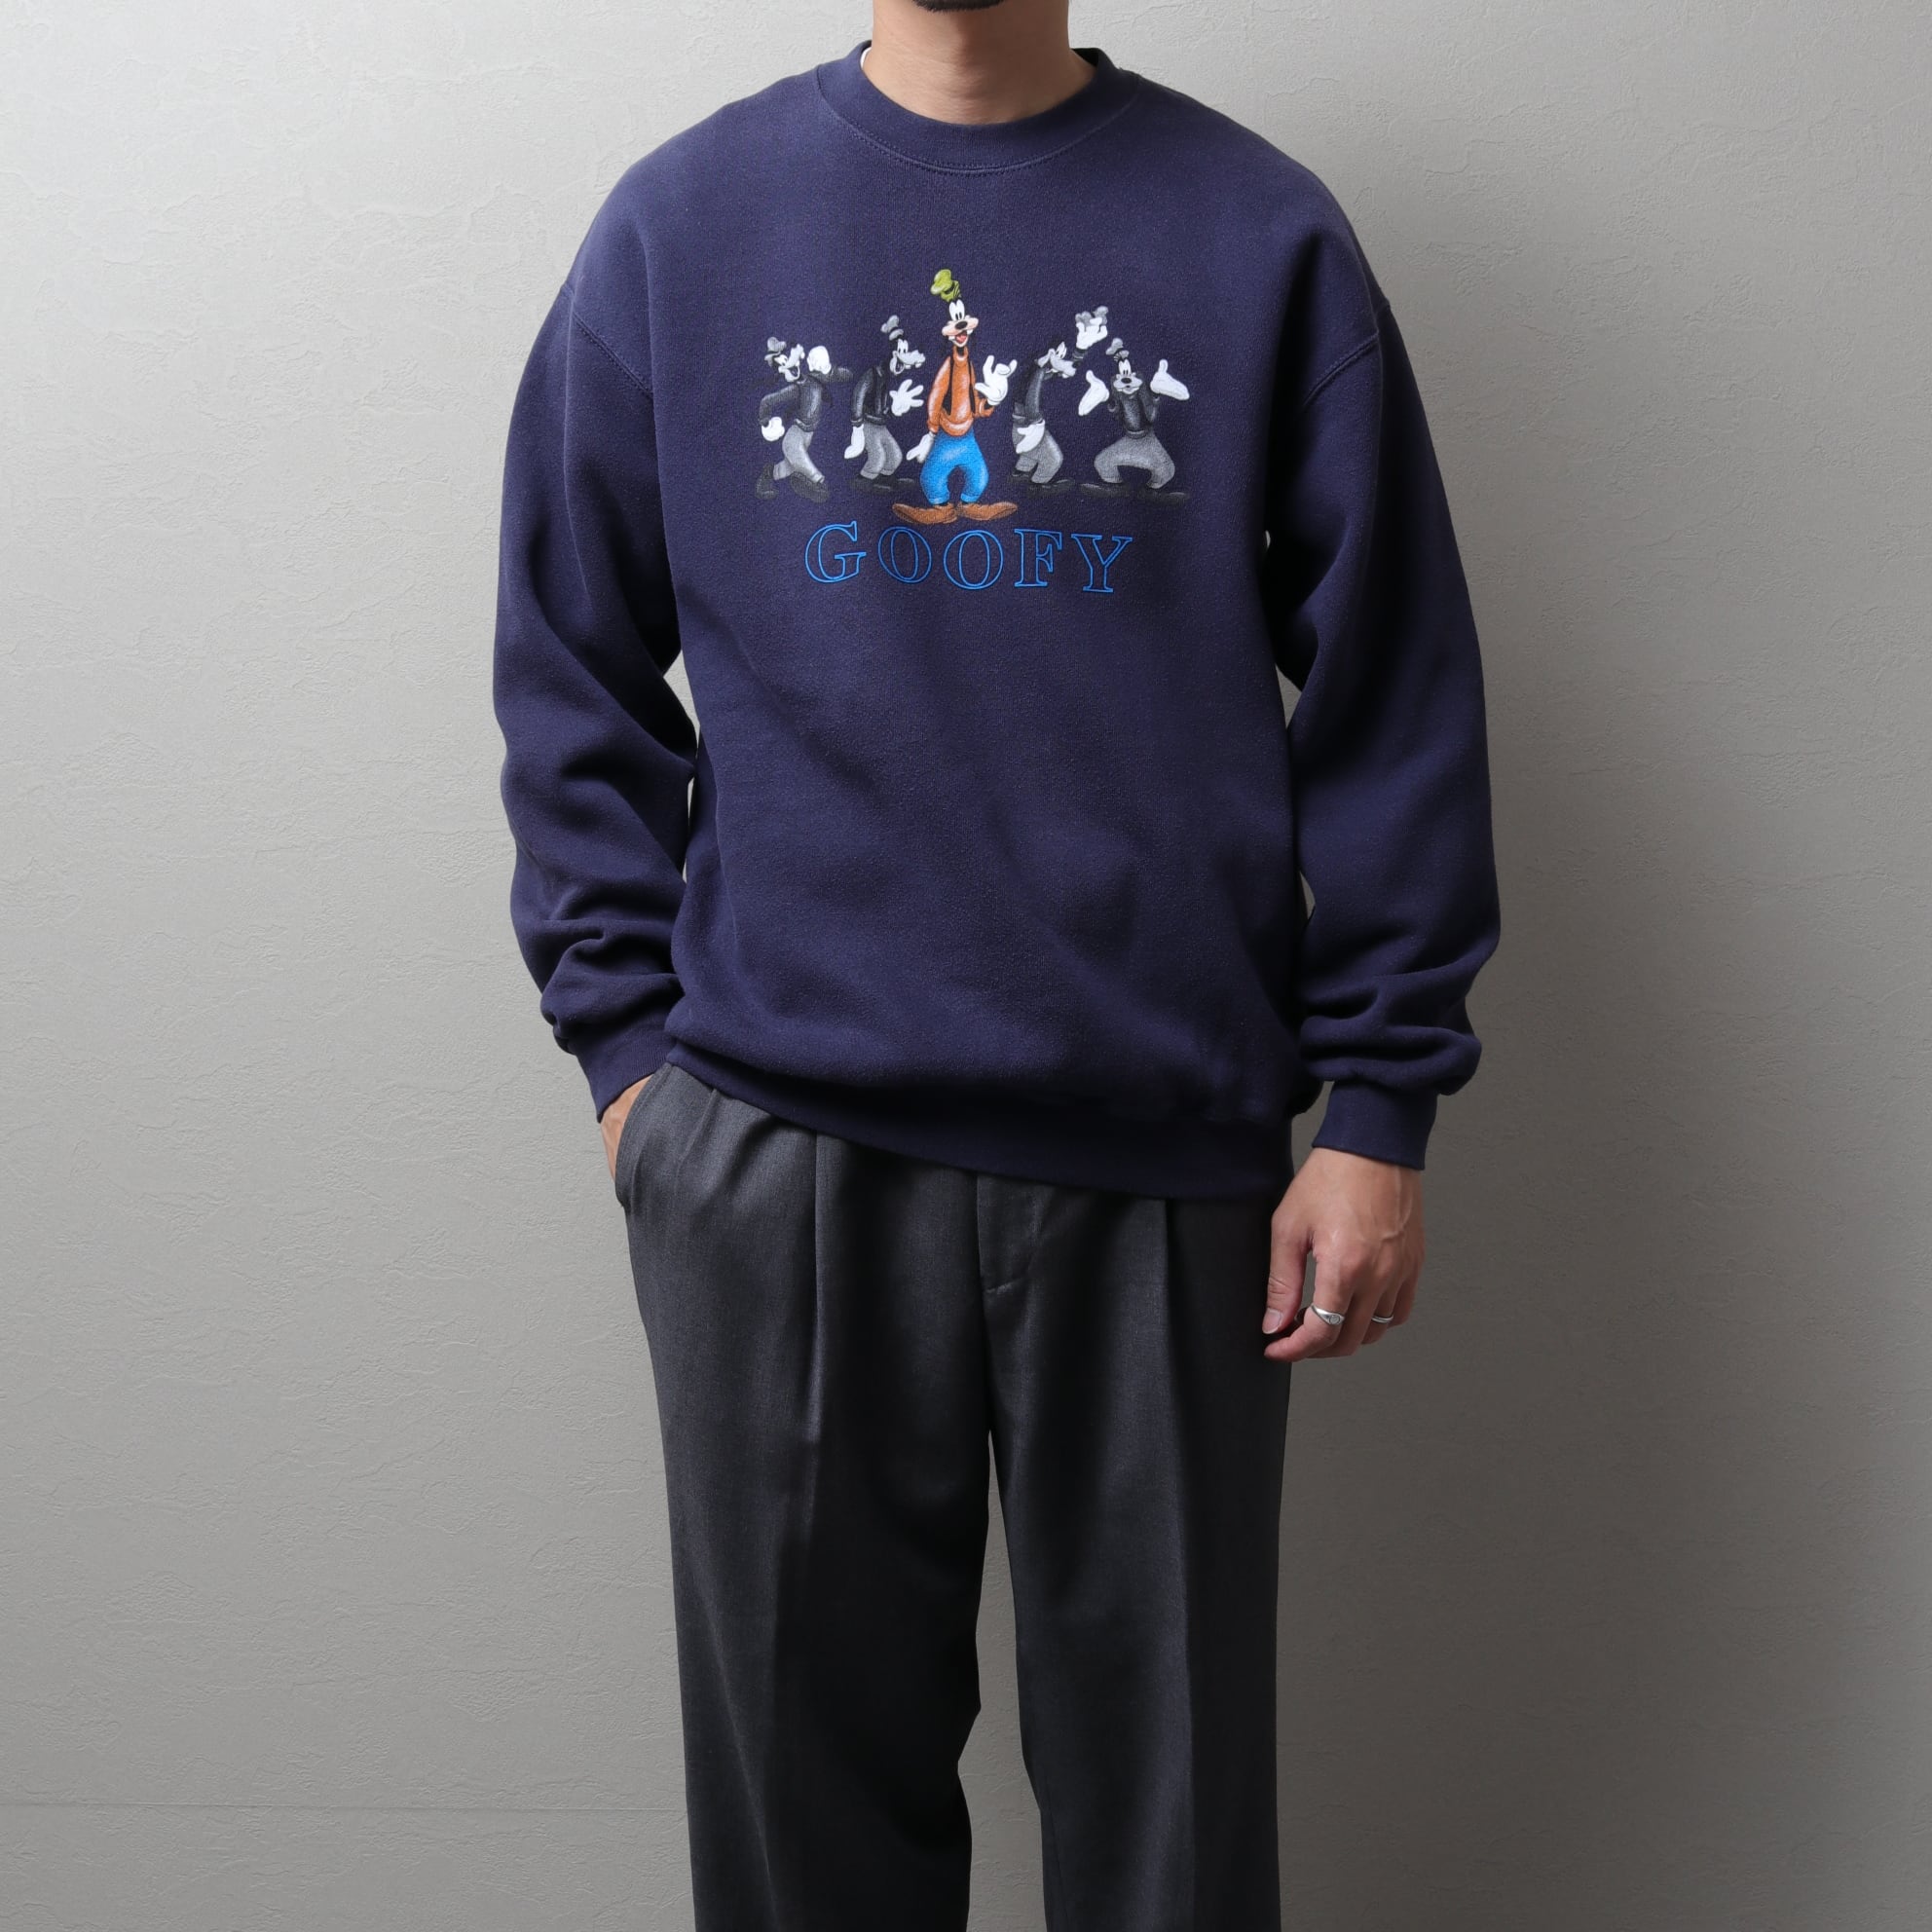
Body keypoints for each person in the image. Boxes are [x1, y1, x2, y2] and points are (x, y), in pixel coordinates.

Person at [491, 0, 1502, 1924]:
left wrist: (1382, 1103)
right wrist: (630, 1062)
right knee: (803, 1859)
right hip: (776, 1151)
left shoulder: (1257, 231)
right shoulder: (682, 228)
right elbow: (566, 658)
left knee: (1170, 1844)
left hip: (1162, 1160)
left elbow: (1394, 689)